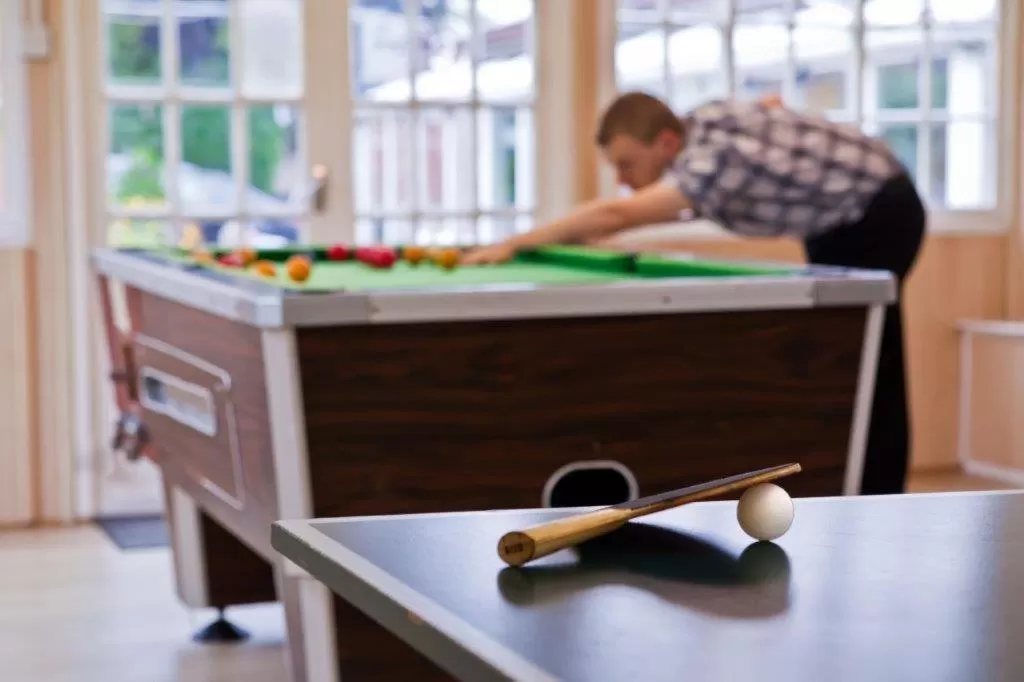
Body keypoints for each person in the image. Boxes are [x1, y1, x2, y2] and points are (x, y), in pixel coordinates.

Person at [464, 92, 925, 496]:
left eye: (627, 163)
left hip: (879, 213)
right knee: (855, 356)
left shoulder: (710, 164)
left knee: (870, 357)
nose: (624, 179)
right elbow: (769, 105)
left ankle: (875, 493)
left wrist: (515, 243)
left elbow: (614, 217)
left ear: (666, 142)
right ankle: (857, 485)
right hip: (838, 218)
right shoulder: (706, 116)